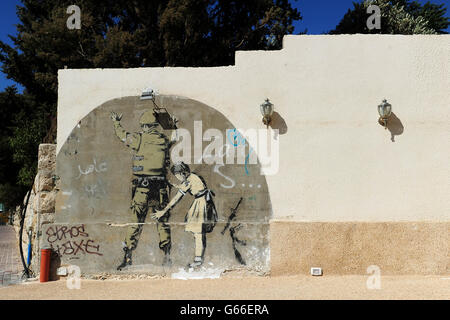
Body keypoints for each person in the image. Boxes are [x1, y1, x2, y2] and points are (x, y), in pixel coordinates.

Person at [111, 110, 173, 270]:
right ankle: (167, 257)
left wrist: (116, 122)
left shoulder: (139, 139)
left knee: (136, 221)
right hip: (160, 189)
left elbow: (123, 135)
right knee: (162, 222)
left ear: (145, 126)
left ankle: (127, 257)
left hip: (142, 189)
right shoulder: (164, 140)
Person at [152, 162, 218, 268]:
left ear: (182, 173)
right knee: (199, 234)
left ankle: (198, 260)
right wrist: (176, 185)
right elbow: (189, 186)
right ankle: (198, 259)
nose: (177, 178)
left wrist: (163, 211)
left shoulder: (188, 181)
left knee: (198, 234)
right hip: (204, 202)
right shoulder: (193, 177)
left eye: (177, 175)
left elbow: (177, 198)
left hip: (200, 204)